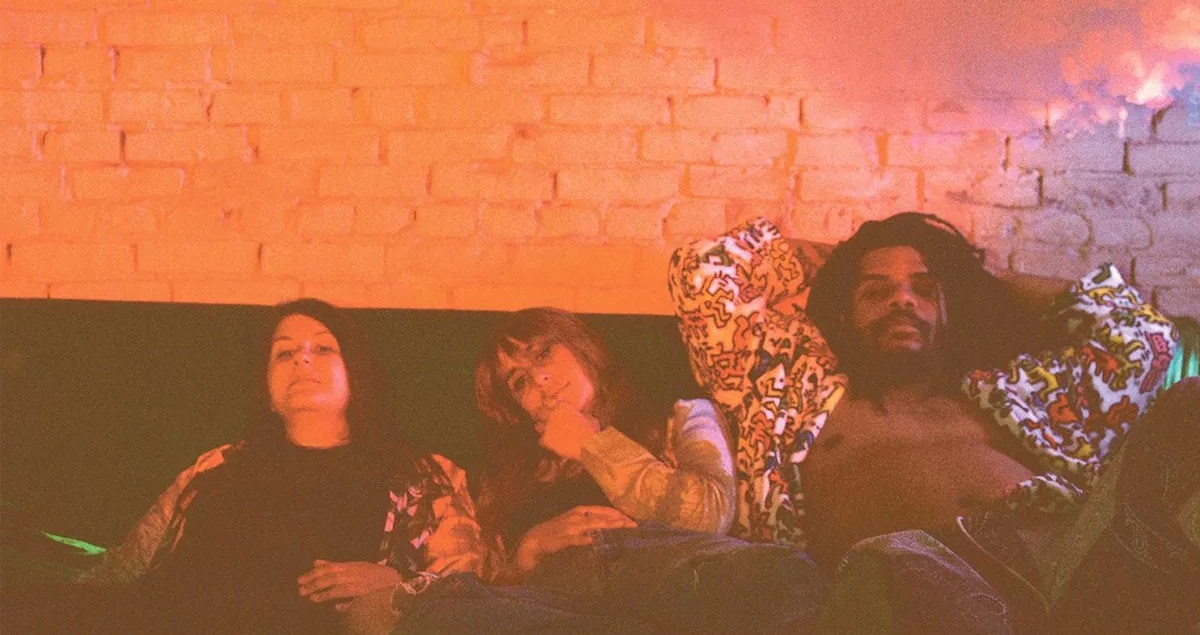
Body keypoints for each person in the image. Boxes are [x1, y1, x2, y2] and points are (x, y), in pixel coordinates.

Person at [669, 212, 1197, 630]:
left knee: (1188, 405)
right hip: (893, 590)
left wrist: (975, 277)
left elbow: (1144, 338)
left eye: (924, 288)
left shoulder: (1024, 393)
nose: (902, 299)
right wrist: (837, 260)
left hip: (1059, 574)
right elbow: (703, 272)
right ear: (845, 312)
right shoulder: (787, 387)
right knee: (902, 565)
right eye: (875, 290)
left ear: (949, 309)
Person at [12, 298, 484, 633]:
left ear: (355, 373)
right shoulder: (218, 465)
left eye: (323, 348)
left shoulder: (422, 475)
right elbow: (130, 563)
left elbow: (471, 585)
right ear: (267, 388)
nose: (301, 359)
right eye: (284, 352)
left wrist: (397, 583)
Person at [389, 307, 828, 633]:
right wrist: (528, 551)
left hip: (665, 570)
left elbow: (710, 514)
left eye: (543, 353)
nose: (538, 380)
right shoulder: (507, 479)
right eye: (519, 382)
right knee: (437, 615)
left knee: (784, 574)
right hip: (558, 598)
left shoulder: (682, 415)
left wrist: (592, 444)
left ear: (581, 347)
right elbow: (480, 578)